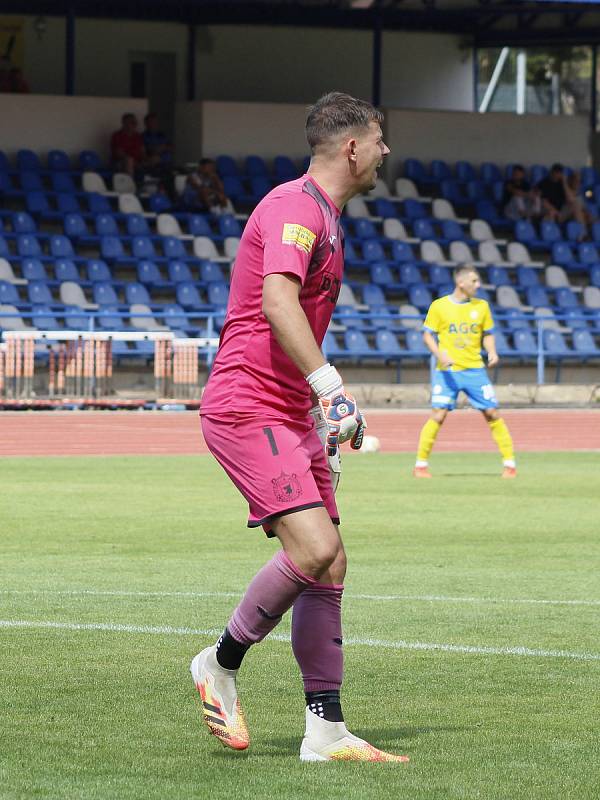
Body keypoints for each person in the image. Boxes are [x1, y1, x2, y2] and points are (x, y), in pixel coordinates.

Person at [193, 92, 408, 763]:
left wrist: (318, 409)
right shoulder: (296, 206)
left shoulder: (328, 217)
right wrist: (331, 388)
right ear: (352, 146)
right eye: (379, 140)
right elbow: (276, 299)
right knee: (314, 549)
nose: (385, 152)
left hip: (288, 410)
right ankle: (218, 663)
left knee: (331, 564)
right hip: (248, 404)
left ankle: (326, 731)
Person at [414, 265, 516, 479]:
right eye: (474, 281)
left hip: (475, 370)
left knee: (492, 413)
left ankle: (510, 464)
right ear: (461, 283)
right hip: (447, 371)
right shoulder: (439, 306)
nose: (478, 285)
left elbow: (488, 333)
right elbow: (427, 336)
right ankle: (420, 465)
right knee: (438, 415)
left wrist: (492, 351)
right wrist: (439, 355)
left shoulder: (482, 307)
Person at [537, 163, 587, 230]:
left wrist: (564, 182)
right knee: (551, 213)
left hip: (561, 212)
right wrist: (555, 211)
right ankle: (552, 235)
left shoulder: (563, 183)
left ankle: (583, 233)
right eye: (555, 172)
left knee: (576, 205)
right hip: (548, 211)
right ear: (551, 172)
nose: (557, 175)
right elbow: (543, 201)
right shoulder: (544, 183)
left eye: (559, 173)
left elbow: (571, 199)